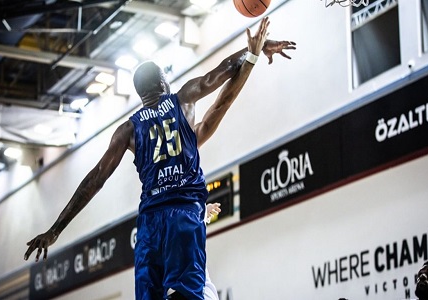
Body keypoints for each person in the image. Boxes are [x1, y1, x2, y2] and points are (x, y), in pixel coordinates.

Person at [24, 16, 295, 300]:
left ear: (141, 95)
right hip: (184, 215)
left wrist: (55, 230)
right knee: (191, 293)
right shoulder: (183, 100)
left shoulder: (126, 131)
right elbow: (220, 76)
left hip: (151, 221)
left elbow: (95, 180)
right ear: (164, 82)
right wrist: (253, 50)